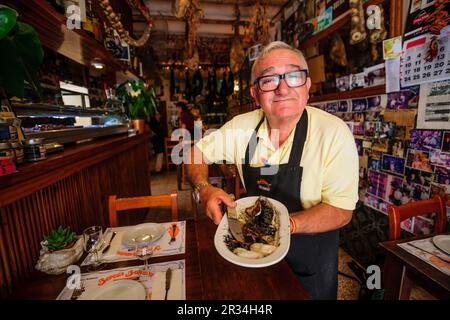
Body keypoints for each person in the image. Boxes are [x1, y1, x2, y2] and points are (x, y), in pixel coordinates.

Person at [186, 41, 359, 300]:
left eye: (293, 76)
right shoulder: (242, 128)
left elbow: (341, 211)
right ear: (255, 94)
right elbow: (195, 153)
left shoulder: (332, 133)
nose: (283, 88)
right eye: (269, 80)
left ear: (308, 85)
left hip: (311, 256)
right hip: (251, 251)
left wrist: (284, 226)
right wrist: (205, 188)